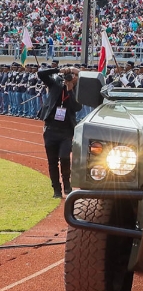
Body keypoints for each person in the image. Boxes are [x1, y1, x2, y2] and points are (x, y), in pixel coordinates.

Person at [37, 64, 82, 199]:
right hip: (51, 129)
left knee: (64, 157)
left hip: (66, 132)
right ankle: (56, 189)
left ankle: (67, 184)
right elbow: (41, 74)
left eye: (74, 75)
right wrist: (58, 70)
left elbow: (76, 107)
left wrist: (70, 90)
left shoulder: (78, 89)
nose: (71, 77)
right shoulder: (55, 83)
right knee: (52, 161)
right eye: (70, 74)